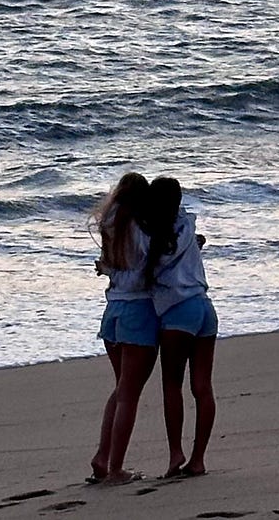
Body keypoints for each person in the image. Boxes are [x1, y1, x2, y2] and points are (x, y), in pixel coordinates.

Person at [142, 176, 217, 479]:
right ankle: (198, 458)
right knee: (202, 386)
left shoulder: (152, 235)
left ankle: (176, 453)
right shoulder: (188, 227)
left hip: (177, 312)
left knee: (172, 384)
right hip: (204, 307)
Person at [90, 172, 159, 485]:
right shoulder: (141, 229)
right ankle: (116, 468)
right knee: (129, 394)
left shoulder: (111, 226)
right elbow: (148, 267)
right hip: (138, 311)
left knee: (120, 390)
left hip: (113, 311)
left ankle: (103, 456)